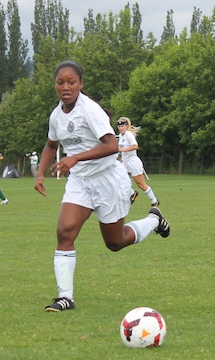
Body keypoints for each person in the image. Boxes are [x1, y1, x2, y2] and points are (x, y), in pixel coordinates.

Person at [34, 60, 170, 312]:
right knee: (65, 231)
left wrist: (74, 157)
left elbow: (111, 146)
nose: (66, 87)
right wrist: (40, 174)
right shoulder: (56, 116)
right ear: (55, 85)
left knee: (115, 242)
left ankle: (154, 220)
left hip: (108, 178)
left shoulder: (90, 110)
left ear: (81, 84)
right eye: (60, 82)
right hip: (80, 181)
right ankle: (65, 297)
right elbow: (51, 145)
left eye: (71, 82)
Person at [117, 116, 160, 206]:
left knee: (141, 184)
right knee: (119, 179)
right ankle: (132, 193)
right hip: (125, 162)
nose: (121, 128)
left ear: (127, 126)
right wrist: (120, 157)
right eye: (119, 126)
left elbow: (135, 146)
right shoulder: (121, 135)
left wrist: (123, 150)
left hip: (133, 162)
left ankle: (154, 201)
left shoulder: (129, 134)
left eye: (122, 126)